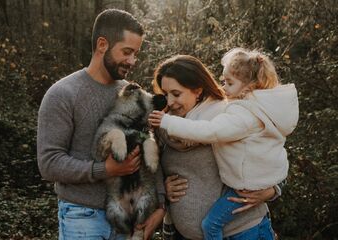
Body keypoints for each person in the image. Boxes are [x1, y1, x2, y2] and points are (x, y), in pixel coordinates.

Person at [37, 9, 166, 240]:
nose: (132, 61)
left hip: (129, 218)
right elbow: (49, 163)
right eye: (127, 52)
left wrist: (161, 206)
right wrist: (104, 170)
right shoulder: (62, 94)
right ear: (102, 44)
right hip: (82, 216)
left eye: (136, 53)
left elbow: (150, 145)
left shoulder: (133, 94)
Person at [149, 51, 298, 239]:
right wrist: (162, 190)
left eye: (176, 94)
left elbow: (270, 156)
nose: (170, 101)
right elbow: (150, 171)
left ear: (198, 90)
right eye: (165, 94)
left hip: (242, 230)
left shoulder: (227, 115)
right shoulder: (163, 127)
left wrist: (272, 190)